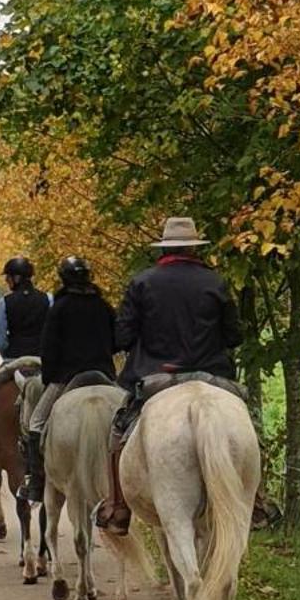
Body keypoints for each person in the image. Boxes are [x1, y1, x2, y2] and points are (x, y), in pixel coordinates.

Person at [95, 216, 241, 532]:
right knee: (250, 423)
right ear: (194, 248)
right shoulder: (215, 283)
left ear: (165, 248)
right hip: (212, 376)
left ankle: (117, 506)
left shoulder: (143, 283)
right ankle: (256, 498)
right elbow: (234, 336)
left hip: (154, 378)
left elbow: (122, 338)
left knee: (118, 432)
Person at [23, 257, 117, 501]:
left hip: (67, 377)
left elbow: (49, 348)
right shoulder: (103, 306)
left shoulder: (60, 308)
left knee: (36, 423)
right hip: (104, 374)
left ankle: (35, 482)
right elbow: (118, 341)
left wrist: (49, 379)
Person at [0, 255, 50, 362]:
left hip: (14, 358)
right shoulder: (48, 298)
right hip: (42, 358)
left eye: (8, 277)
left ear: (17, 278)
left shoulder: (4, 302)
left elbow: (0, 341)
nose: (6, 280)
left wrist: (7, 356)